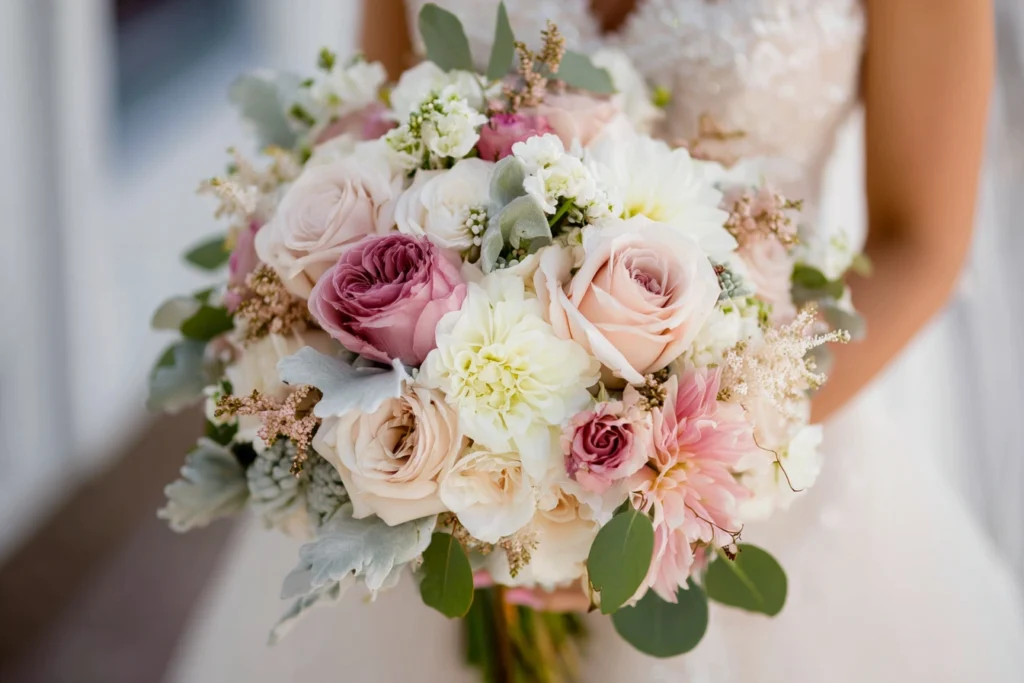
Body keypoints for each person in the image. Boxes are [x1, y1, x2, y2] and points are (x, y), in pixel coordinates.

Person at [167, 1, 1024, 681]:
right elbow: (389, 138)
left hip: (745, 462)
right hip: (445, 474)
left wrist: (688, 468)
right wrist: (474, 476)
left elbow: (921, 242)